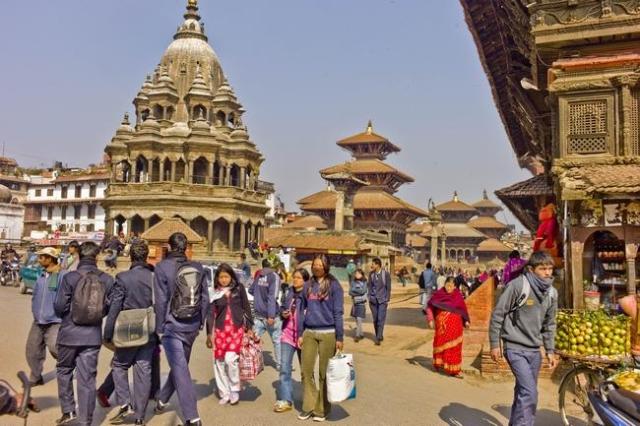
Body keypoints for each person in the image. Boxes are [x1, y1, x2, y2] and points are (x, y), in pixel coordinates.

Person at [489, 251, 558, 426]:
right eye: (543, 269)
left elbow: (550, 324)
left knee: (522, 391)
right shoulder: (518, 286)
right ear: (531, 269)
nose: (548, 273)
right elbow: (498, 315)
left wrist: (550, 350)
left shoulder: (552, 293)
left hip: (535, 351)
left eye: (550, 268)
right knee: (530, 393)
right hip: (514, 347)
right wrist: (495, 344)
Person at [54, 242, 114, 426]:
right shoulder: (107, 279)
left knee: (64, 371)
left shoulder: (70, 277)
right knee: (87, 379)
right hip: (92, 336)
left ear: (79, 256)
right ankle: (86, 421)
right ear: (96, 257)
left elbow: (59, 307)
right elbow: (108, 308)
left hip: (68, 335)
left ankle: (69, 410)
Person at [153, 232, 209, 426]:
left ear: (169, 247)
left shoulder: (161, 267)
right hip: (192, 325)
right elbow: (205, 298)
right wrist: (200, 322)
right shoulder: (198, 267)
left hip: (172, 325)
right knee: (180, 366)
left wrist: (160, 327)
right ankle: (162, 400)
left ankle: (192, 417)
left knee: (180, 369)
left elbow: (160, 301)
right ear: (186, 247)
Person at [103, 241, 155, 426]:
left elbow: (115, 306)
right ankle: (140, 416)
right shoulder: (153, 277)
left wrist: (107, 333)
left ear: (131, 256)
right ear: (146, 256)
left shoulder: (123, 278)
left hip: (127, 329)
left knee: (119, 365)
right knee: (143, 371)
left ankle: (125, 402)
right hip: (148, 329)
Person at [297, 254, 344, 422]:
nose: (317, 267)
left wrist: (340, 336)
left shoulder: (334, 286)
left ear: (326, 266)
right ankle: (309, 406)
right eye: (315, 264)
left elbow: (338, 312)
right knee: (306, 371)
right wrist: (299, 333)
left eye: (320, 265)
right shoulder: (308, 285)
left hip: (328, 333)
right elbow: (300, 308)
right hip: (309, 332)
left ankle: (321, 409)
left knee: (324, 373)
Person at [205, 263, 253, 406]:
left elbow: (246, 308)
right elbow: (210, 314)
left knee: (230, 360)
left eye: (226, 276)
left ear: (231, 276)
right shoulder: (215, 292)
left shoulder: (239, 289)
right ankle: (224, 393)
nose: (224, 280)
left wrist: (249, 327)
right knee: (218, 362)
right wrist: (209, 334)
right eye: (221, 277)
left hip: (236, 330)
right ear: (217, 278)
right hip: (220, 332)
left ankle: (234, 389)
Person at [26, 247, 64, 386]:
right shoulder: (41, 276)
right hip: (38, 320)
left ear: (50, 259)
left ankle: (68, 366)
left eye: (42, 257)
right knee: (32, 350)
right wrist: (35, 311)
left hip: (54, 321)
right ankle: (36, 377)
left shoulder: (61, 276)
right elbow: (35, 295)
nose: (39, 259)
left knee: (55, 347)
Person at [274, 267, 307, 413]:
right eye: (294, 277)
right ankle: (286, 400)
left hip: (303, 337)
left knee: (306, 370)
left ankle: (309, 398)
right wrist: (283, 313)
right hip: (287, 335)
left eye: (299, 278)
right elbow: (281, 307)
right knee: (285, 368)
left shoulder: (309, 295)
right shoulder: (289, 293)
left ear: (305, 281)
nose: (296, 280)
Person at [427, 276, 470, 378]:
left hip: (456, 327)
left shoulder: (458, 296)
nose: (449, 288)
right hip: (442, 327)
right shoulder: (439, 294)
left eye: (451, 286)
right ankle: (441, 363)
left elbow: (463, 310)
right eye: (447, 285)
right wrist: (430, 319)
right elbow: (429, 306)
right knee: (441, 345)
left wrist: (466, 321)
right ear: (444, 284)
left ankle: (454, 370)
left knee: (455, 348)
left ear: (455, 286)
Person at [249, 259, 282, 370]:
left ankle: (251, 362)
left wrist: (259, 297)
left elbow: (251, 290)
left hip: (258, 314)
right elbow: (273, 296)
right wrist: (271, 315)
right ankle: (280, 364)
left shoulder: (259, 275)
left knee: (254, 339)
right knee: (277, 340)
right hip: (271, 316)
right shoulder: (274, 276)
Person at [368, 258, 391, 345]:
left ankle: (378, 337)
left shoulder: (386, 274)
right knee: (375, 319)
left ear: (377, 265)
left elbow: (388, 288)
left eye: (373, 264)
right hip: (373, 301)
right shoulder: (371, 274)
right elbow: (369, 286)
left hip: (382, 301)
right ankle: (379, 334)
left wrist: (387, 299)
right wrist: (369, 296)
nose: (371, 266)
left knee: (380, 318)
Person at [348, 268, 367, 342]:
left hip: (361, 303)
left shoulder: (365, 282)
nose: (357, 275)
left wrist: (354, 290)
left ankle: (357, 335)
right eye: (356, 273)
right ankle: (361, 334)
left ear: (362, 274)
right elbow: (350, 292)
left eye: (358, 273)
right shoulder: (353, 282)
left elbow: (363, 291)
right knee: (357, 320)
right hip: (355, 303)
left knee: (359, 319)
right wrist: (357, 291)